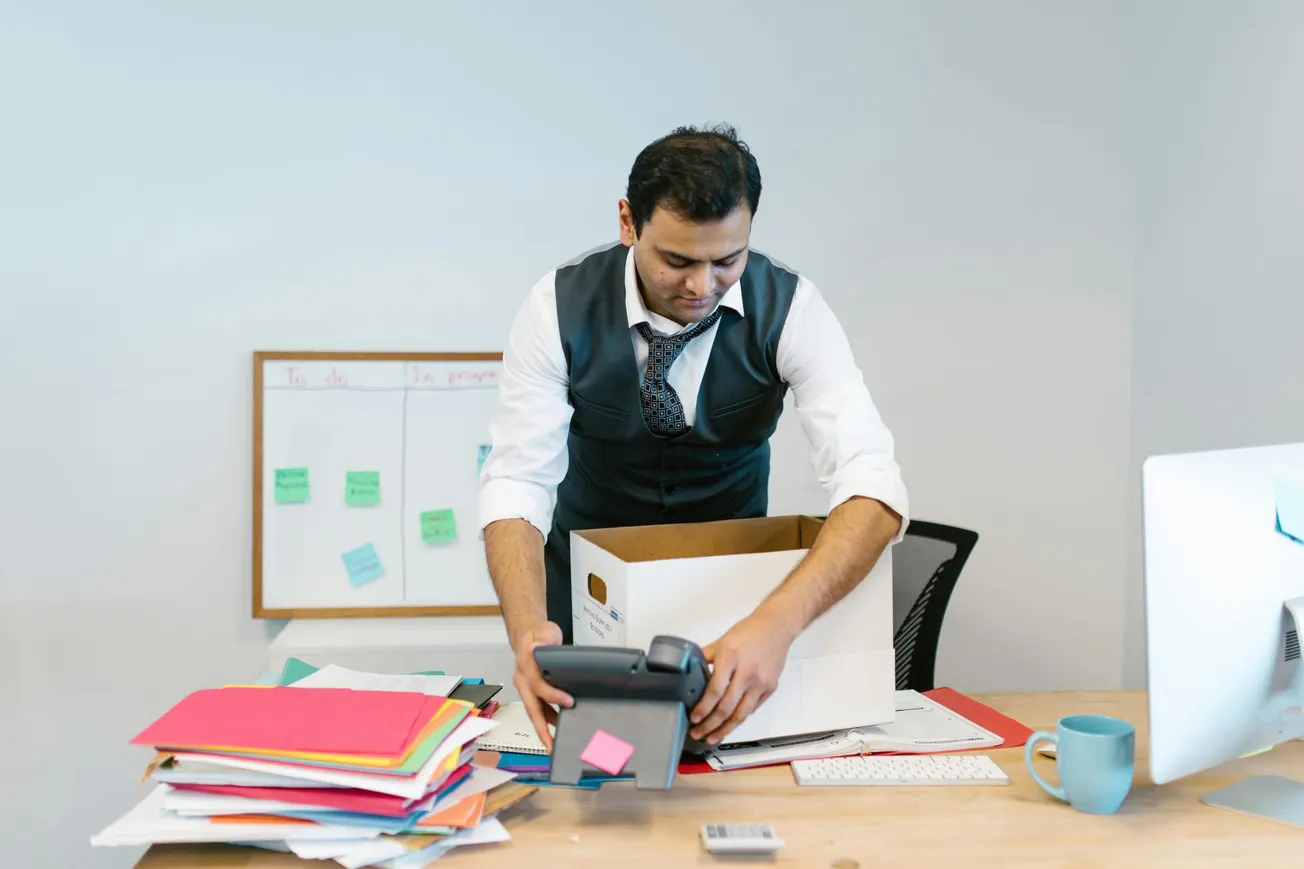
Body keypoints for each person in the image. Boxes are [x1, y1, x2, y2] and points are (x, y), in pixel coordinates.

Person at [477, 123, 908, 751]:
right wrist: (526, 630)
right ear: (629, 223)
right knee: (596, 790)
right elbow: (517, 481)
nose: (701, 287)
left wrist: (776, 627)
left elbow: (873, 486)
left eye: (727, 260)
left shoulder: (793, 309)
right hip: (587, 614)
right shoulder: (555, 306)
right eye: (677, 260)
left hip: (736, 622)